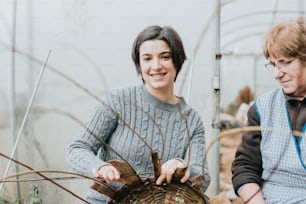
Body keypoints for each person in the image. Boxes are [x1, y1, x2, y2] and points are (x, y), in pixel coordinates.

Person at [66, 25, 210, 203]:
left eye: (165, 57)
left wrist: (182, 166)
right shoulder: (118, 101)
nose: (156, 66)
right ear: (139, 65)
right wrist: (100, 167)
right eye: (147, 59)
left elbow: (202, 177)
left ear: (177, 61)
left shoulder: (191, 119)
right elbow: (78, 148)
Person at [231, 17, 306, 204]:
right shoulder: (262, 108)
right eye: (273, 64)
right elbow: (245, 166)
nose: (277, 74)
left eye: (285, 62)